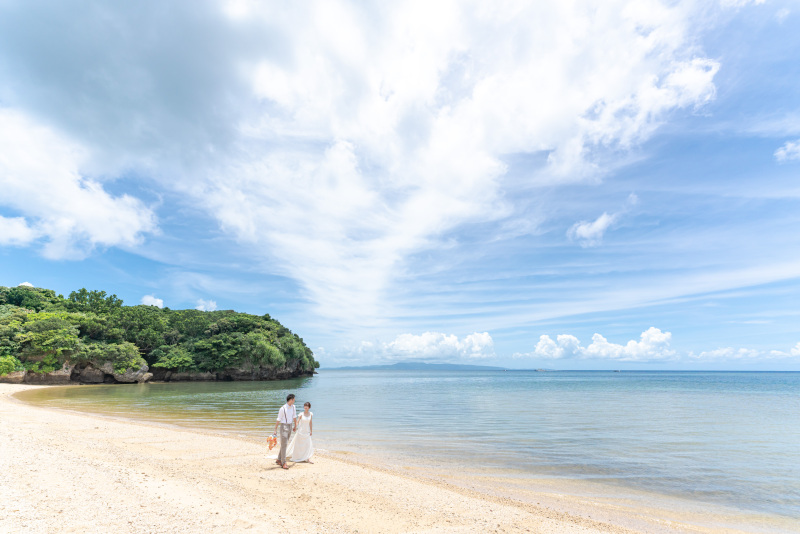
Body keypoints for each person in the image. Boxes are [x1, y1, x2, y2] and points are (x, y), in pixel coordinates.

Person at [273, 393, 296, 469]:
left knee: (284, 444)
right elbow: (278, 419)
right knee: (285, 444)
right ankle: (283, 462)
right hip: (284, 426)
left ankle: (279, 459)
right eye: (294, 399)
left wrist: (295, 425)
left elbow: (294, 417)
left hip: (290, 426)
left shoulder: (293, 407)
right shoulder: (282, 408)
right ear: (291, 399)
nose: (294, 400)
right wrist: (275, 429)